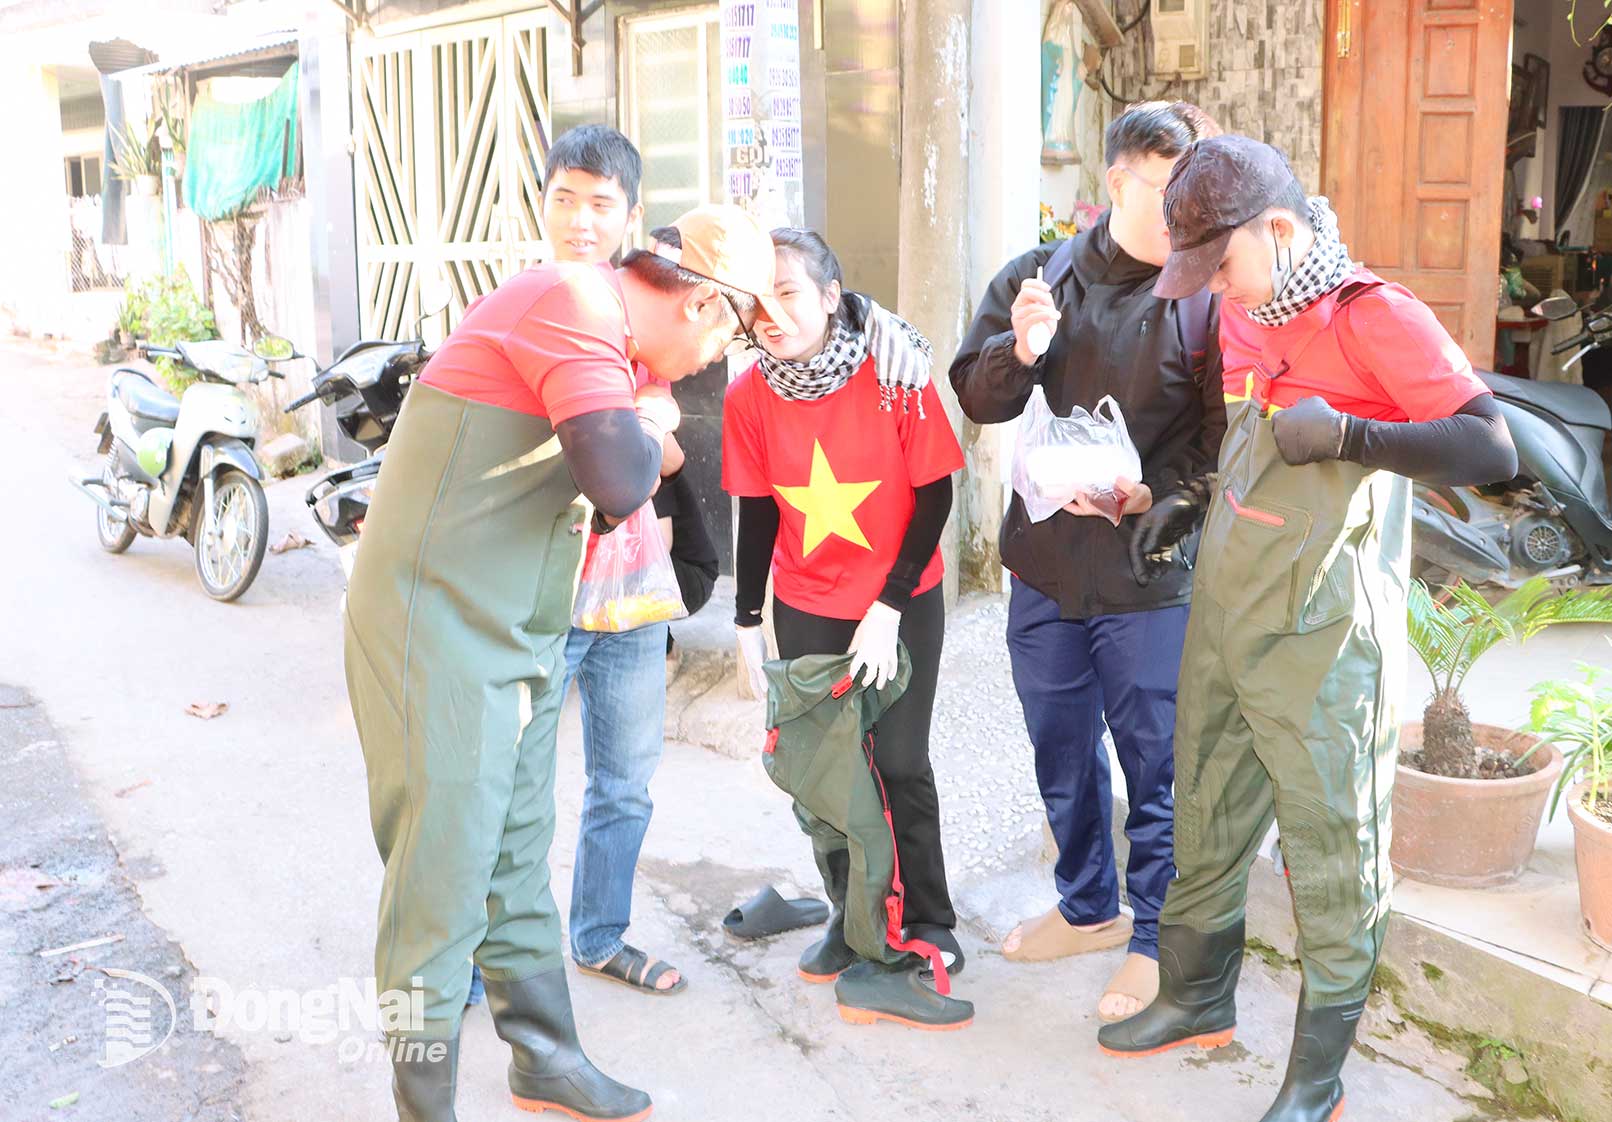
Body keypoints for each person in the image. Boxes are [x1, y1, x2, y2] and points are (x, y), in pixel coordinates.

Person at [345, 201, 795, 1122]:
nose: (720, 363)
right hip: (433, 630)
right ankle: (421, 1106)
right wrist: (648, 412)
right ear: (705, 305)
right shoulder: (576, 304)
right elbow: (625, 481)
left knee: (514, 858)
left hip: (516, 630)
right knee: (438, 877)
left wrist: (644, 406)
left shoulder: (614, 348)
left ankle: (544, 1061)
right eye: (732, 338)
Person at [1098, 136, 1516, 1122]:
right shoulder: (1249, 312)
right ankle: (1196, 998)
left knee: (1332, 840)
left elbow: (1487, 444)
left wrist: (1349, 434)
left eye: (1224, 267)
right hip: (1228, 614)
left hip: (1322, 634)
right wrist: (1187, 503)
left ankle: (1317, 1076)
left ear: (1279, 232)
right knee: (1203, 802)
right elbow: (1242, 442)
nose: (1219, 295)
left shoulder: (1376, 317)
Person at [948, 101, 1226, 1022]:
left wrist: (1163, 498)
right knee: (1059, 748)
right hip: (1046, 564)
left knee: (1155, 760)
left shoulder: (1205, 294)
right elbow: (976, 398)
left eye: (1198, 195)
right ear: (1116, 181)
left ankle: (1154, 936)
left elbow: (1220, 443)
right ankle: (1088, 907)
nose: (1186, 214)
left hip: (1149, 571)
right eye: (1169, 191)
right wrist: (1019, 351)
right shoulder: (1037, 276)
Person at [724, 227, 972, 1030]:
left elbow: (934, 495)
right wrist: (746, 617)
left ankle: (928, 920)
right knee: (826, 771)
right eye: (758, 299)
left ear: (832, 295)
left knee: (899, 762)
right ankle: (850, 914)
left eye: (790, 292)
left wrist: (892, 602)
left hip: (900, 597)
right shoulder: (747, 395)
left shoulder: (894, 372)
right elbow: (758, 509)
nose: (772, 313)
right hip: (806, 601)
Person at [541, 127, 716, 999]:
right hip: (546, 596)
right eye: (565, 199)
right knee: (511, 793)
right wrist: (649, 433)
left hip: (637, 596)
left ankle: (600, 936)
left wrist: (657, 436)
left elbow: (684, 450)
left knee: (624, 788)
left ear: (632, 216)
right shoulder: (539, 305)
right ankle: (484, 958)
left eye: (601, 204)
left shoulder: (658, 305)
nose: (581, 221)